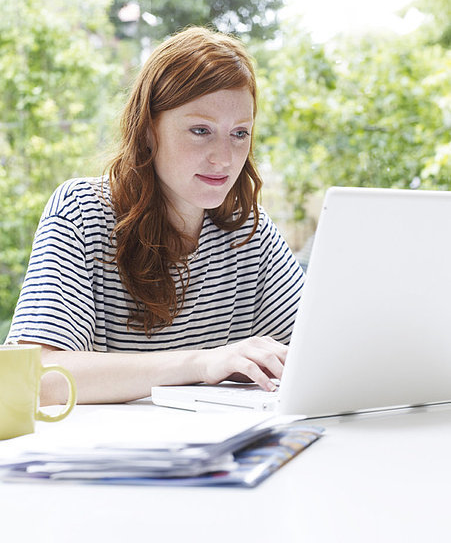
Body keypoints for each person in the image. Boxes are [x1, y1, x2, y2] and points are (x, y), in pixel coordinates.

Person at [6, 26, 304, 404]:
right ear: (148, 130)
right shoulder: (81, 211)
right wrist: (200, 364)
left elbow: (319, 356)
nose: (224, 157)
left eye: (239, 133)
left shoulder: (250, 231)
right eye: (200, 130)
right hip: (106, 456)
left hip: (218, 452)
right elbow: (37, 377)